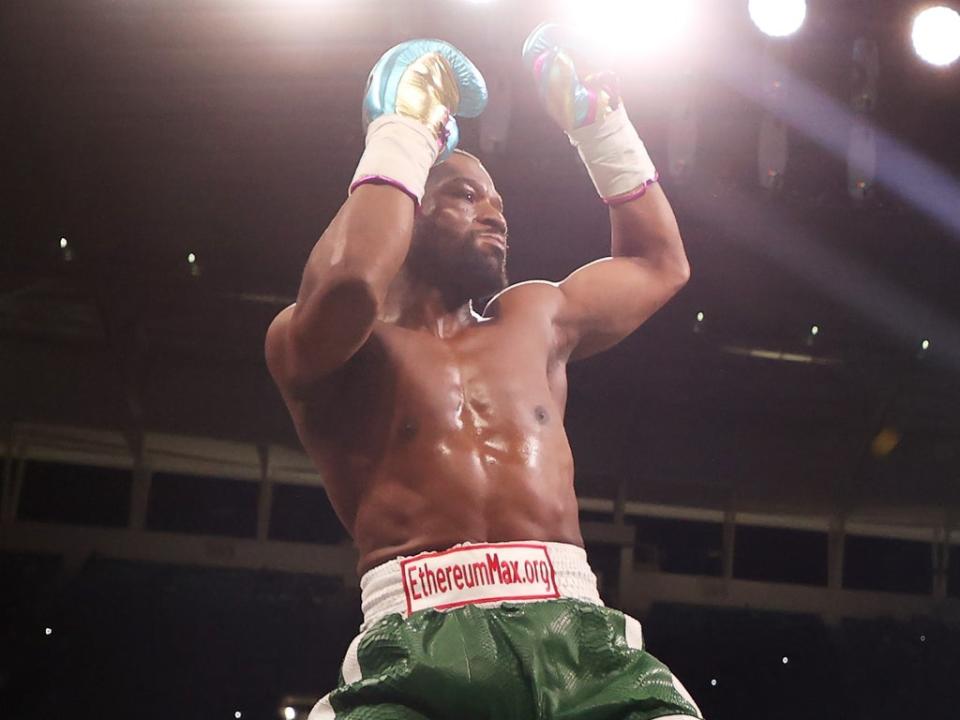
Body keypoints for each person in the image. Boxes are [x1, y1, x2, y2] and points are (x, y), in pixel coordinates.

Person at [265, 25, 702, 720]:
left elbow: (659, 265)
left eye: (497, 200)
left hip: (577, 637)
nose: (494, 212)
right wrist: (403, 129)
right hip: (417, 647)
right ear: (409, 202)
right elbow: (350, 281)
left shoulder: (534, 319)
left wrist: (601, 125)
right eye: (466, 195)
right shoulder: (328, 345)